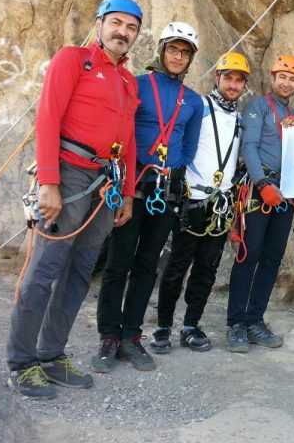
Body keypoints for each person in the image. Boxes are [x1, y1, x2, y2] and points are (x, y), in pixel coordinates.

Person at [7, 0, 141, 398]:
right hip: (68, 174)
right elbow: (47, 117)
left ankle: (51, 355)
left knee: (79, 273)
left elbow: (129, 140)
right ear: (99, 24)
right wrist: (49, 181)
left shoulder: (128, 81)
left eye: (131, 27)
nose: (123, 32)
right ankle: (21, 363)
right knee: (44, 271)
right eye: (116, 23)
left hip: (105, 184)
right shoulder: (73, 60)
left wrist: (128, 193)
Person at [93, 22, 204, 372]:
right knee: (119, 261)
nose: (178, 57)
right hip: (134, 185)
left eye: (185, 52)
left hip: (166, 191)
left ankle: (131, 335)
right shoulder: (136, 84)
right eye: (173, 49)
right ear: (162, 50)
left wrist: (171, 167)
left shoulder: (193, 101)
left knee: (147, 265)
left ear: (190, 59)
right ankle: (108, 336)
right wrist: (136, 167)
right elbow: (121, 130)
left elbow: (189, 147)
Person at [149, 52, 250, 354]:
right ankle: (163, 327)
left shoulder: (240, 119)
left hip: (221, 202)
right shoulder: (199, 106)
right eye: (228, 78)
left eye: (239, 80)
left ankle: (191, 325)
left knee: (207, 268)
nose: (233, 85)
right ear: (217, 78)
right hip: (192, 198)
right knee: (177, 266)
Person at [225, 55, 294, 352]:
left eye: (292, 79)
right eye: (282, 77)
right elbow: (249, 147)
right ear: (272, 79)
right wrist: (261, 183)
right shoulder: (257, 106)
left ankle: (255, 320)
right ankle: (236, 323)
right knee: (248, 255)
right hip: (260, 191)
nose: (286, 83)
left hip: (286, 193)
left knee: (272, 258)